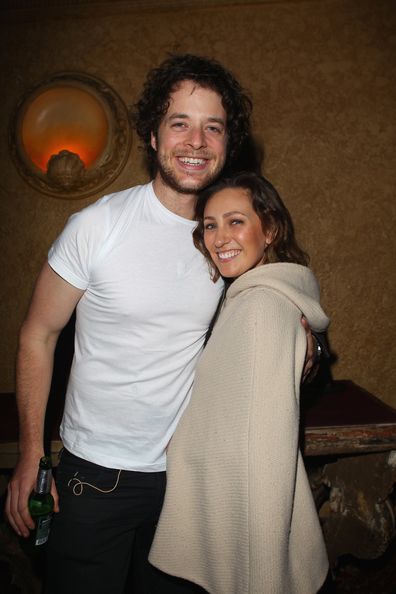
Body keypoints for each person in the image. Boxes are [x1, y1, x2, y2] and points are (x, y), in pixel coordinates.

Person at [6, 55, 316, 594]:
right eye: (180, 123)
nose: (196, 141)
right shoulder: (96, 226)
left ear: (227, 142)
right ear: (153, 135)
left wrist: (305, 345)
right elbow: (38, 333)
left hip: (186, 481)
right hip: (92, 477)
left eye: (212, 127)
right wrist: (32, 452)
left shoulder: (227, 242)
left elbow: (269, 304)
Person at [150, 172, 330, 594]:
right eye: (210, 224)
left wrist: (263, 573)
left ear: (269, 229)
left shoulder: (259, 307)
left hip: (242, 539)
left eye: (236, 221)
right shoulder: (246, 296)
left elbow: (265, 451)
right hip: (222, 517)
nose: (219, 237)